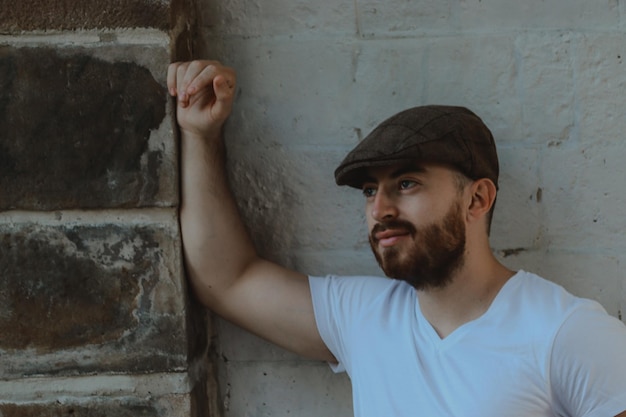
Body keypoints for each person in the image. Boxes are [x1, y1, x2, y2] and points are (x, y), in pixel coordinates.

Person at [167, 60, 626, 417]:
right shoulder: (364, 317)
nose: (379, 209)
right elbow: (226, 279)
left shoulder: (565, 332)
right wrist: (197, 133)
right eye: (371, 190)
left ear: (477, 199)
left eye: (407, 183)